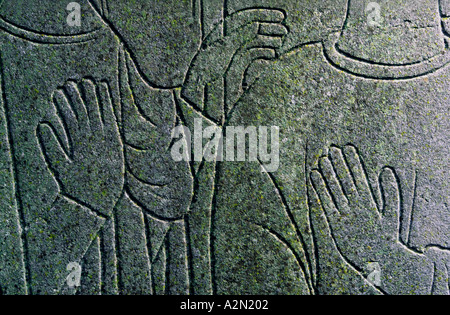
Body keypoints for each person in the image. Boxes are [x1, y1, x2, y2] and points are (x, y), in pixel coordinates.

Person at [0, 0, 291, 294]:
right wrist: (83, 204)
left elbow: (168, 234)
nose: (191, 18)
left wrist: (208, 92)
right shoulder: (32, 52)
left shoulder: (130, 64)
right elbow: (23, 271)